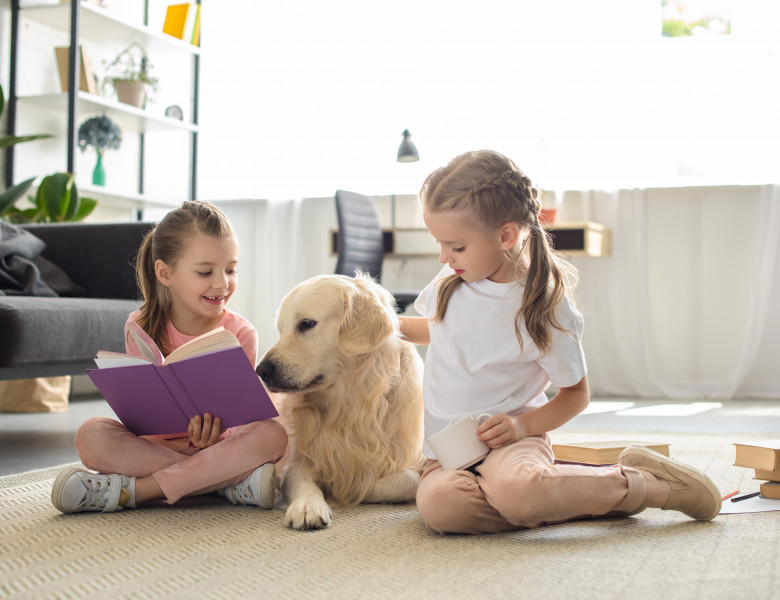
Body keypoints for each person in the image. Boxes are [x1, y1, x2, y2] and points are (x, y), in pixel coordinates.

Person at [399, 150, 721, 534]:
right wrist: (383, 325)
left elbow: (575, 395)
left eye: (456, 245)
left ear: (505, 235)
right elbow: (441, 333)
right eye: (440, 243)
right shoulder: (453, 280)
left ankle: (647, 485)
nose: (444, 256)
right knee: (442, 509)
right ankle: (567, 499)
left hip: (511, 445)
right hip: (449, 453)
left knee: (519, 493)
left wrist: (521, 427)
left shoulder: (544, 308)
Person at [51, 201, 287, 514]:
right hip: (156, 447)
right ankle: (227, 484)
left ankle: (134, 492)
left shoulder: (242, 332)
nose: (222, 283)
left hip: (217, 446)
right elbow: (140, 414)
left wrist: (217, 433)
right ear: (165, 273)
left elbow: (242, 418)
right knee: (91, 434)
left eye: (231, 270)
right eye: (206, 272)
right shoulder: (139, 325)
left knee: (272, 435)